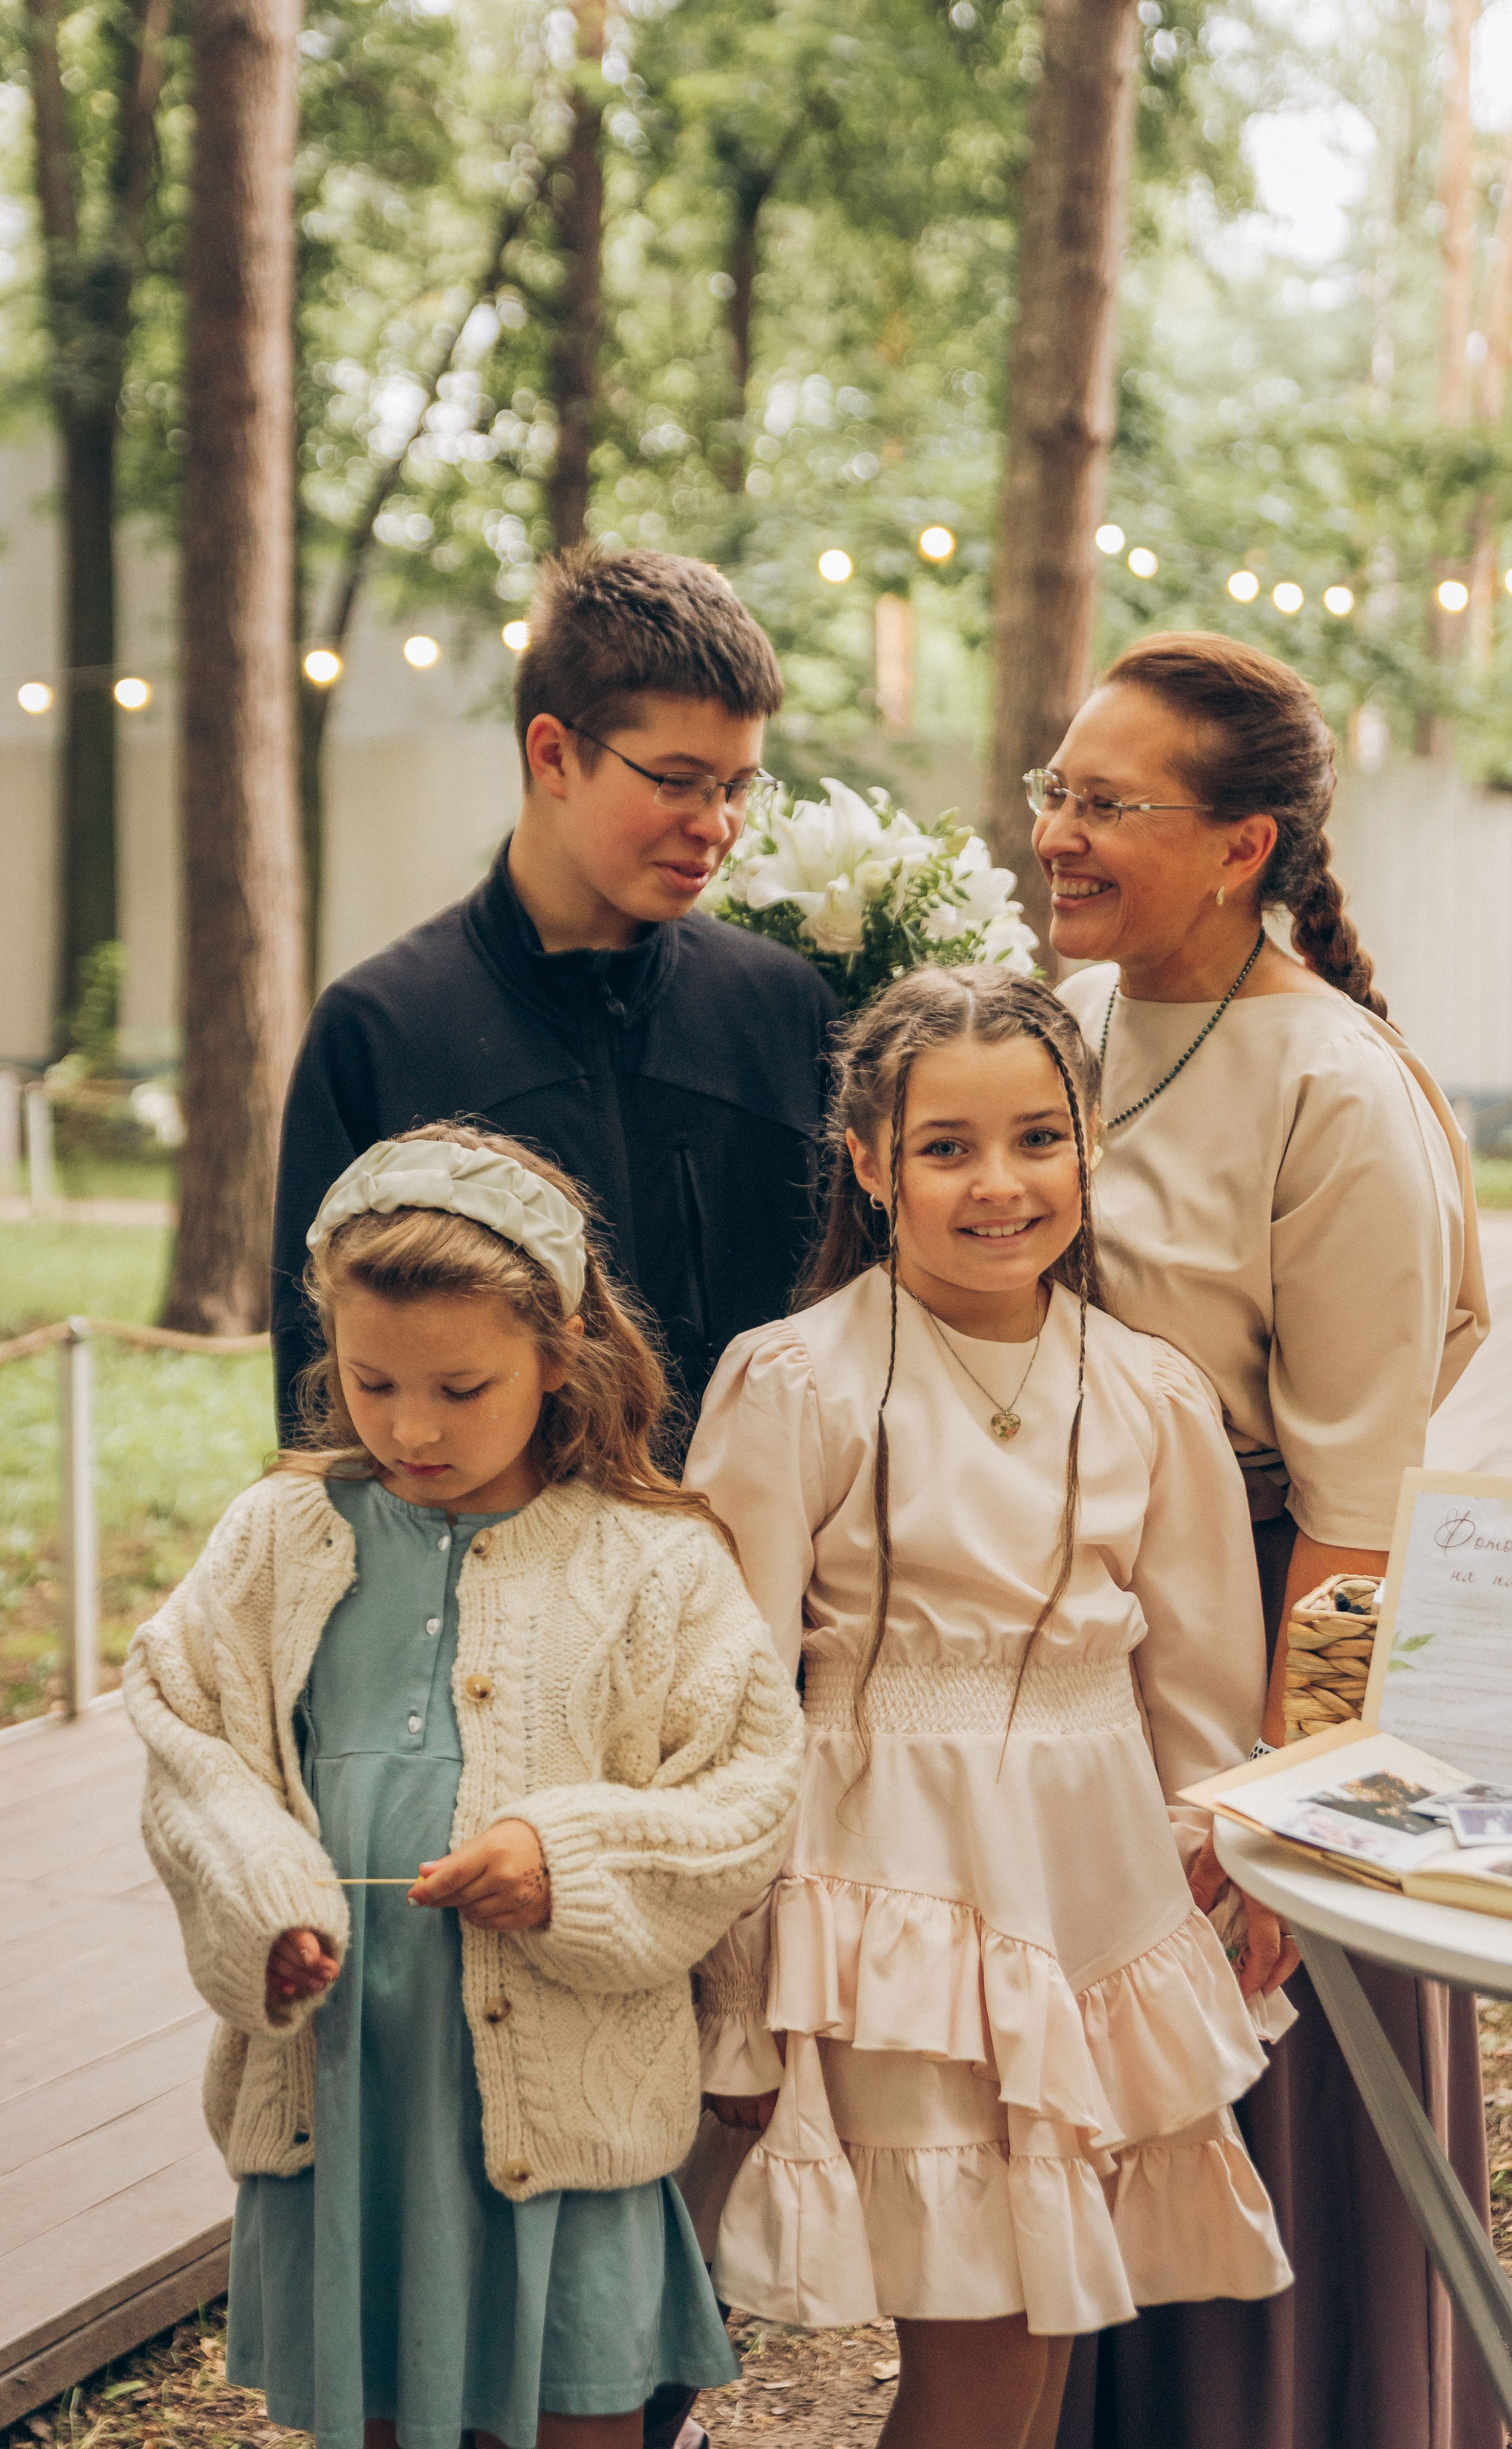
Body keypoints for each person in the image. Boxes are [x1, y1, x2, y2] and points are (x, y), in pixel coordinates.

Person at [681, 967, 1296, 2449]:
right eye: (946, 1147)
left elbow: (1202, 1681)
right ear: (872, 1164)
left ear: (1089, 1143)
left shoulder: (1149, 1393)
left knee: (1044, 2323)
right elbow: (726, 1696)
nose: (997, 1183)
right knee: (987, 2335)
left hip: (1090, 1886)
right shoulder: (795, 1382)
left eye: (1037, 1137)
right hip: (890, 1896)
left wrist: (1236, 1848)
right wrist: (741, 1980)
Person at [124, 1124, 805, 2449]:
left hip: (570, 2105)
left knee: (579, 2415)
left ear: (558, 1358)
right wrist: (261, 1899)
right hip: (351, 2092)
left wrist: (573, 1861)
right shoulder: (279, 1536)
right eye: (372, 1384)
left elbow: (748, 1789)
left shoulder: (652, 1564)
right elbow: (185, 1733)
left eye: (460, 1386)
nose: (410, 1427)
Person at [1038, 632, 1495, 2449]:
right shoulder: (1063, 1025)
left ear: (1241, 847)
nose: (1059, 833)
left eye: (1106, 803)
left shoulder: (1337, 1090)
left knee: (1258, 2135)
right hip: (1077, 1668)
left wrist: (1274, 1820)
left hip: (1260, 1681)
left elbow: (1361, 1523)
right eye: (1054, 793)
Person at [270, 545, 839, 1446]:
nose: (717, 824)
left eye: (738, 785)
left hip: (764, 1565)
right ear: (553, 753)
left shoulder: (783, 1010)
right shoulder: (379, 1030)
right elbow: (324, 1407)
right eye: (678, 779)